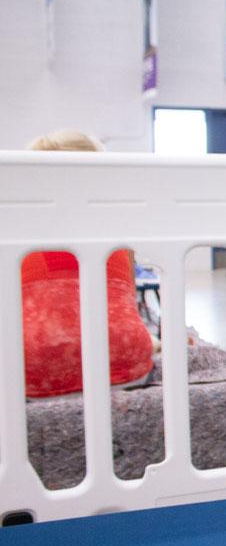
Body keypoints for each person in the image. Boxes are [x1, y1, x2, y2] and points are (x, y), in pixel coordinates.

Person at [21, 131, 155, 397]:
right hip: (125, 363)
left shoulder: (17, 233)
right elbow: (122, 303)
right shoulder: (117, 234)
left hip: (35, 369)